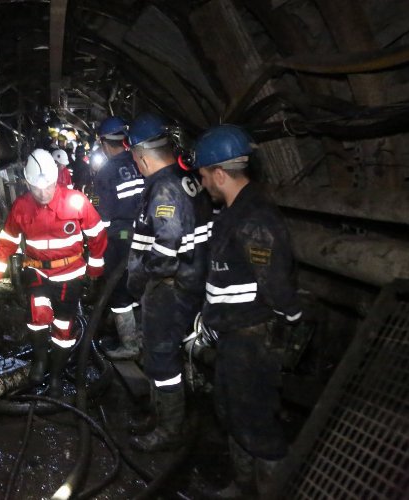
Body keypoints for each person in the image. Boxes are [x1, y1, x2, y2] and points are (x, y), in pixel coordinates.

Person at [191, 125, 301, 497]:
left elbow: (276, 284)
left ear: (219, 174)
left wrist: (287, 325)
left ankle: (271, 489)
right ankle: (243, 485)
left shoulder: (254, 219)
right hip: (233, 334)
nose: (203, 183)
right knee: (232, 410)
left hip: (253, 337)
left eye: (205, 175)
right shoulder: (232, 213)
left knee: (257, 420)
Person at [0, 149, 107, 397]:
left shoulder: (75, 201)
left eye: (48, 186)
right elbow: (8, 239)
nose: (43, 193)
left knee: (63, 327)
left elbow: (96, 234)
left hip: (69, 275)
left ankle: (57, 375)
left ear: (56, 179)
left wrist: (95, 267)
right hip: (37, 272)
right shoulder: (21, 206)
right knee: (37, 318)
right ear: (28, 183)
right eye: (36, 188)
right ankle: (40, 361)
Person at [125, 112, 212, 451]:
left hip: (169, 287)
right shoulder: (186, 176)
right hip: (191, 280)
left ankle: (168, 430)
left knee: (162, 358)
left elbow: (166, 245)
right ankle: (158, 414)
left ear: (141, 156)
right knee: (159, 354)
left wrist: (142, 274)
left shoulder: (163, 188)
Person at [93, 116, 144, 360]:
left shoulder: (106, 172)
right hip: (147, 234)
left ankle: (129, 344)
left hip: (121, 237)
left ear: (104, 143)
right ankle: (142, 336)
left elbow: (105, 216)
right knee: (140, 284)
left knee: (119, 289)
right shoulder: (140, 161)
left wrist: (95, 244)